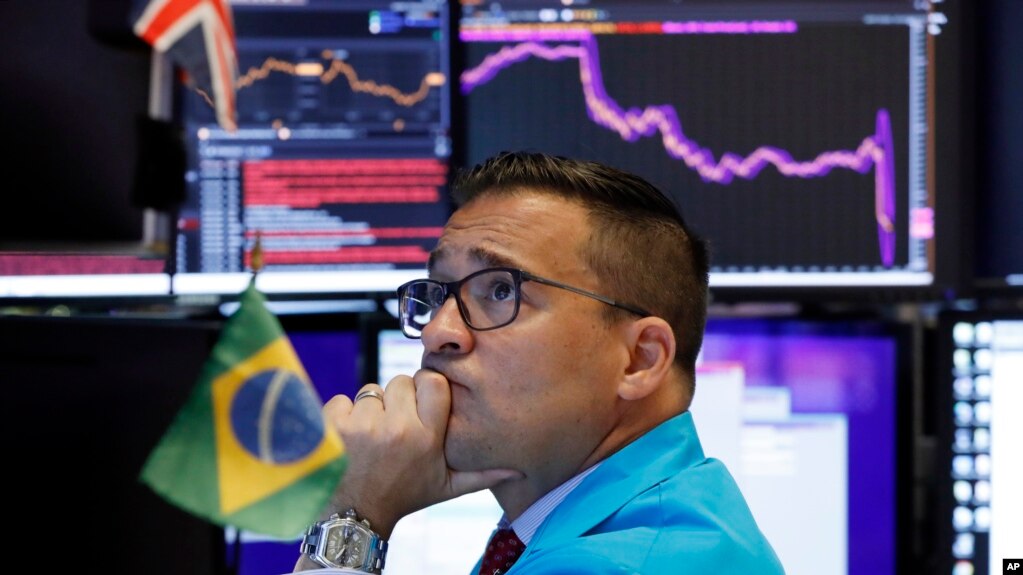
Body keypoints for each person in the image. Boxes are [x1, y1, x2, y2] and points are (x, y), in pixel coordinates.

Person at [295, 151, 784, 574]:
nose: (438, 332)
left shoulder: (619, 566)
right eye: (440, 294)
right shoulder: (598, 529)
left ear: (639, 359)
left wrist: (353, 517)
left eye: (501, 290)